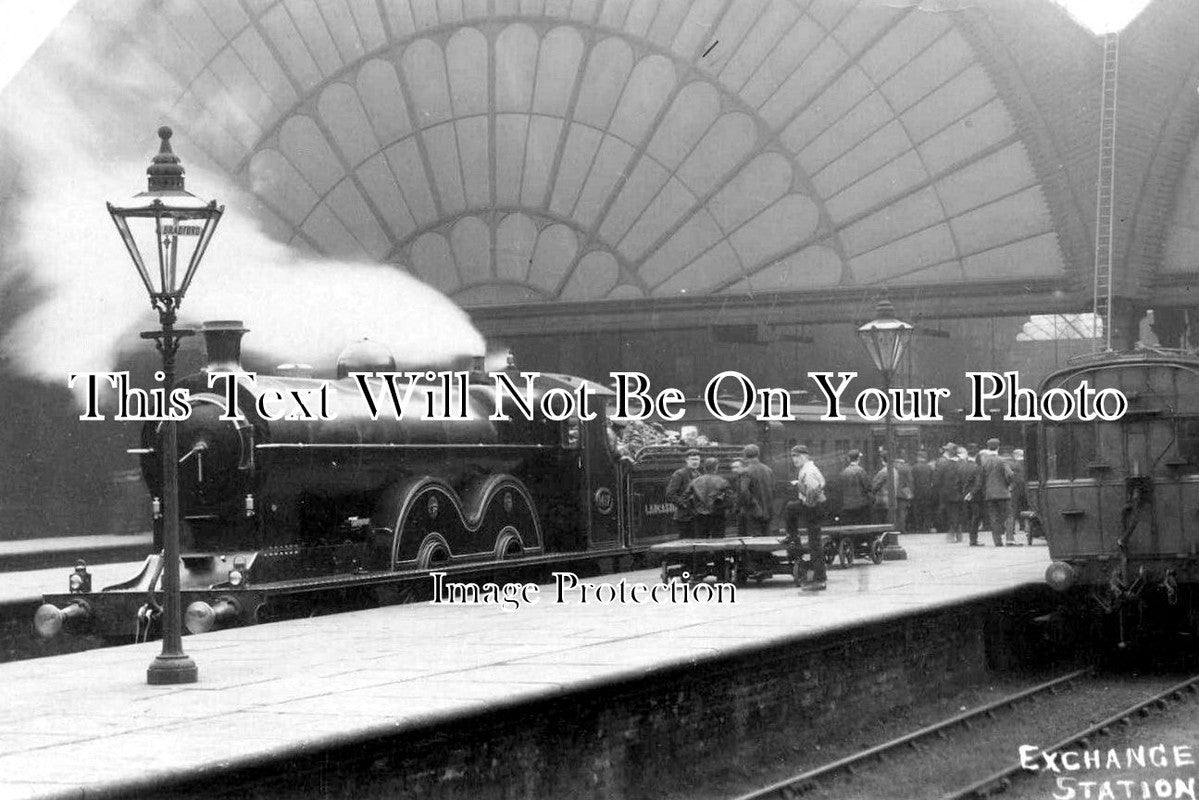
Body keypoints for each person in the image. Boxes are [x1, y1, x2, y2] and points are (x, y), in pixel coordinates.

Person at [785, 445, 828, 592]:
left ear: (805, 456)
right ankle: (792, 536)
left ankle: (820, 580)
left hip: (813, 507)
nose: (794, 459)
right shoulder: (807, 469)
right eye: (793, 456)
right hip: (813, 505)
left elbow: (813, 491)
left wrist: (807, 502)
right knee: (791, 508)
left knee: (815, 545)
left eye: (797, 456)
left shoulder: (808, 471)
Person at [967, 445, 1012, 547]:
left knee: (993, 517)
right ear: (998, 447)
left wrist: (973, 493)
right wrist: (1008, 484)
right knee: (1008, 515)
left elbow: (980, 480)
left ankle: (997, 541)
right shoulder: (1002, 460)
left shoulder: (984, 464)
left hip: (989, 494)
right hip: (1003, 493)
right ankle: (1009, 538)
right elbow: (1010, 474)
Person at [686, 458, 733, 539]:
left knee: (701, 541)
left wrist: (693, 512)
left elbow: (685, 498)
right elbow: (729, 500)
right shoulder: (722, 481)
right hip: (717, 515)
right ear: (716, 467)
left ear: (704, 468)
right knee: (718, 541)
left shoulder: (695, 482)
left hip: (700, 516)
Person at [737, 444, 774, 537]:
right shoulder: (768, 470)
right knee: (767, 540)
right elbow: (773, 490)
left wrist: (753, 505)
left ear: (745, 455)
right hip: (767, 512)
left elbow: (744, 491)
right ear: (758, 454)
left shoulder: (745, 471)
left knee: (753, 541)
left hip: (752, 513)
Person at [665, 449, 702, 539]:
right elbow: (670, 494)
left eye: (697, 459)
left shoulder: (699, 475)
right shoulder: (680, 474)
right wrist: (684, 505)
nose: (695, 462)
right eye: (692, 459)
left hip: (696, 517)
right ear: (686, 460)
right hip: (684, 518)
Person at [836, 450, 872, 525]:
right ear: (858, 458)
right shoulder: (861, 471)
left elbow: (839, 489)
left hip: (847, 505)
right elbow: (868, 487)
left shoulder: (844, 472)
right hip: (861, 505)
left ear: (849, 459)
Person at [935, 442, 960, 541]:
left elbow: (937, 479)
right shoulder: (962, 462)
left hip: (947, 493)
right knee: (958, 512)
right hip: (960, 492)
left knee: (950, 513)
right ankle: (958, 533)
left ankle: (952, 533)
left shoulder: (944, 464)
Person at [911, 450, 935, 532]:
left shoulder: (914, 467)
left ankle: (919, 527)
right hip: (927, 491)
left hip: (917, 491)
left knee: (918, 510)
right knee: (927, 510)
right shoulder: (929, 467)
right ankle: (926, 527)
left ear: (918, 457)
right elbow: (932, 479)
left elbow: (912, 480)